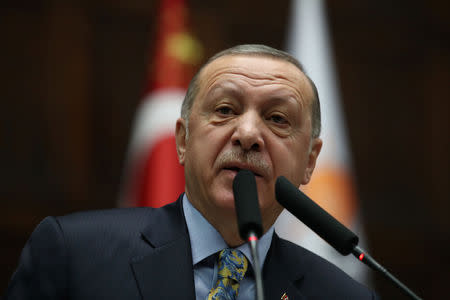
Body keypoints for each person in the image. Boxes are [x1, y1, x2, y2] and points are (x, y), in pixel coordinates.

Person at [4, 44, 378, 299]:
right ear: (182, 141)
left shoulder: (343, 295)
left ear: (310, 162)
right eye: (225, 110)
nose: (248, 135)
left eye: (277, 118)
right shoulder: (75, 254)